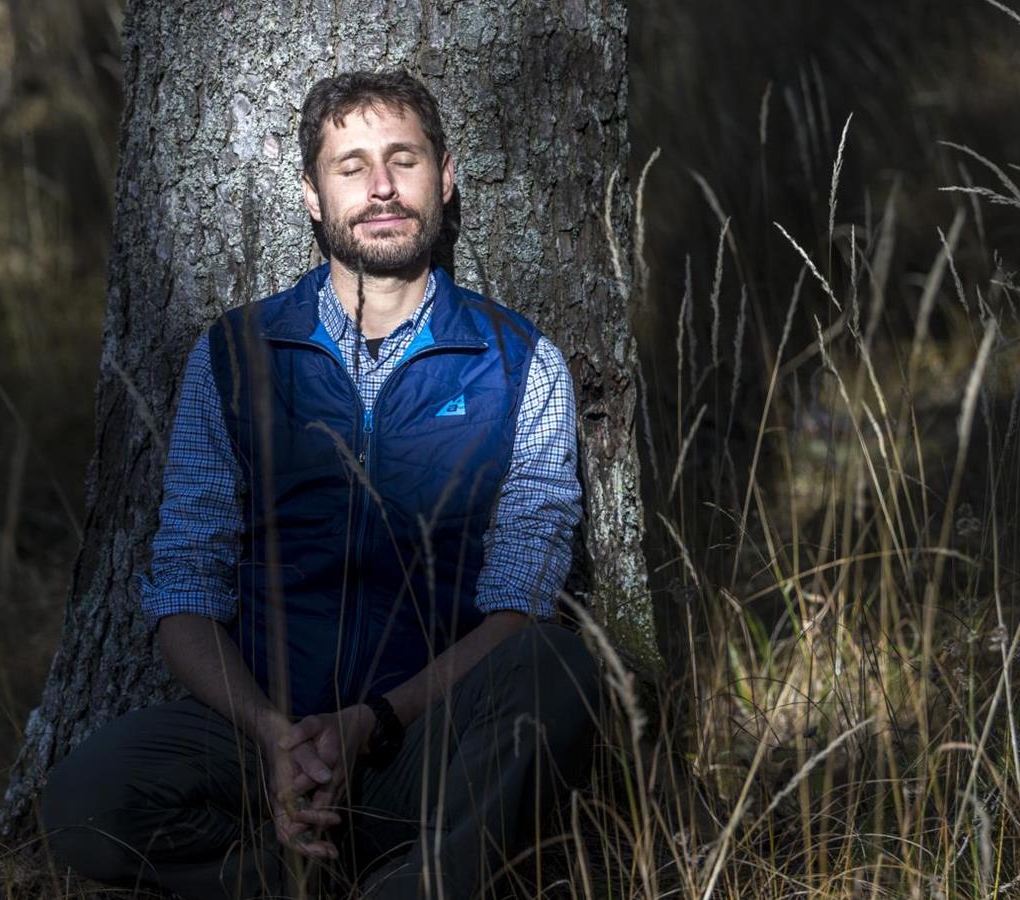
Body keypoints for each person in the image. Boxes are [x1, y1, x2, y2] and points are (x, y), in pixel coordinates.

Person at [39, 68, 604, 899]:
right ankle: (291, 873)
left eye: (403, 160)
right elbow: (187, 589)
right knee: (85, 801)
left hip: (426, 744)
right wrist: (276, 738)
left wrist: (374, 724)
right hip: (263, 740)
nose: (381, 188)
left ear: (446, 178)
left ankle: (416, 885)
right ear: (311, 194)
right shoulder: (235, 356)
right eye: (351, 167)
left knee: (556, 667)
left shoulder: (521, 363)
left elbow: (520, 607)